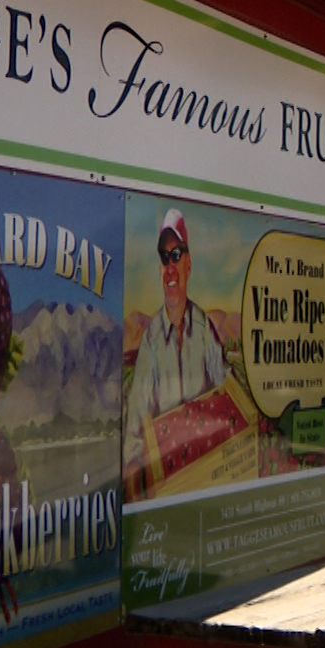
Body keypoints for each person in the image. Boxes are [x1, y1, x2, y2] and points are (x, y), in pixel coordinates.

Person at [123, 208, 227, 490]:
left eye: (176, 255)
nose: (169, 267)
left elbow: (226, 392)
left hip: (205, 478)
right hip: (167, 485)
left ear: (189, 264)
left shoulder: (205, 330)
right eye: (164, 258)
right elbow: (134, 433)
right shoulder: (151, 342)